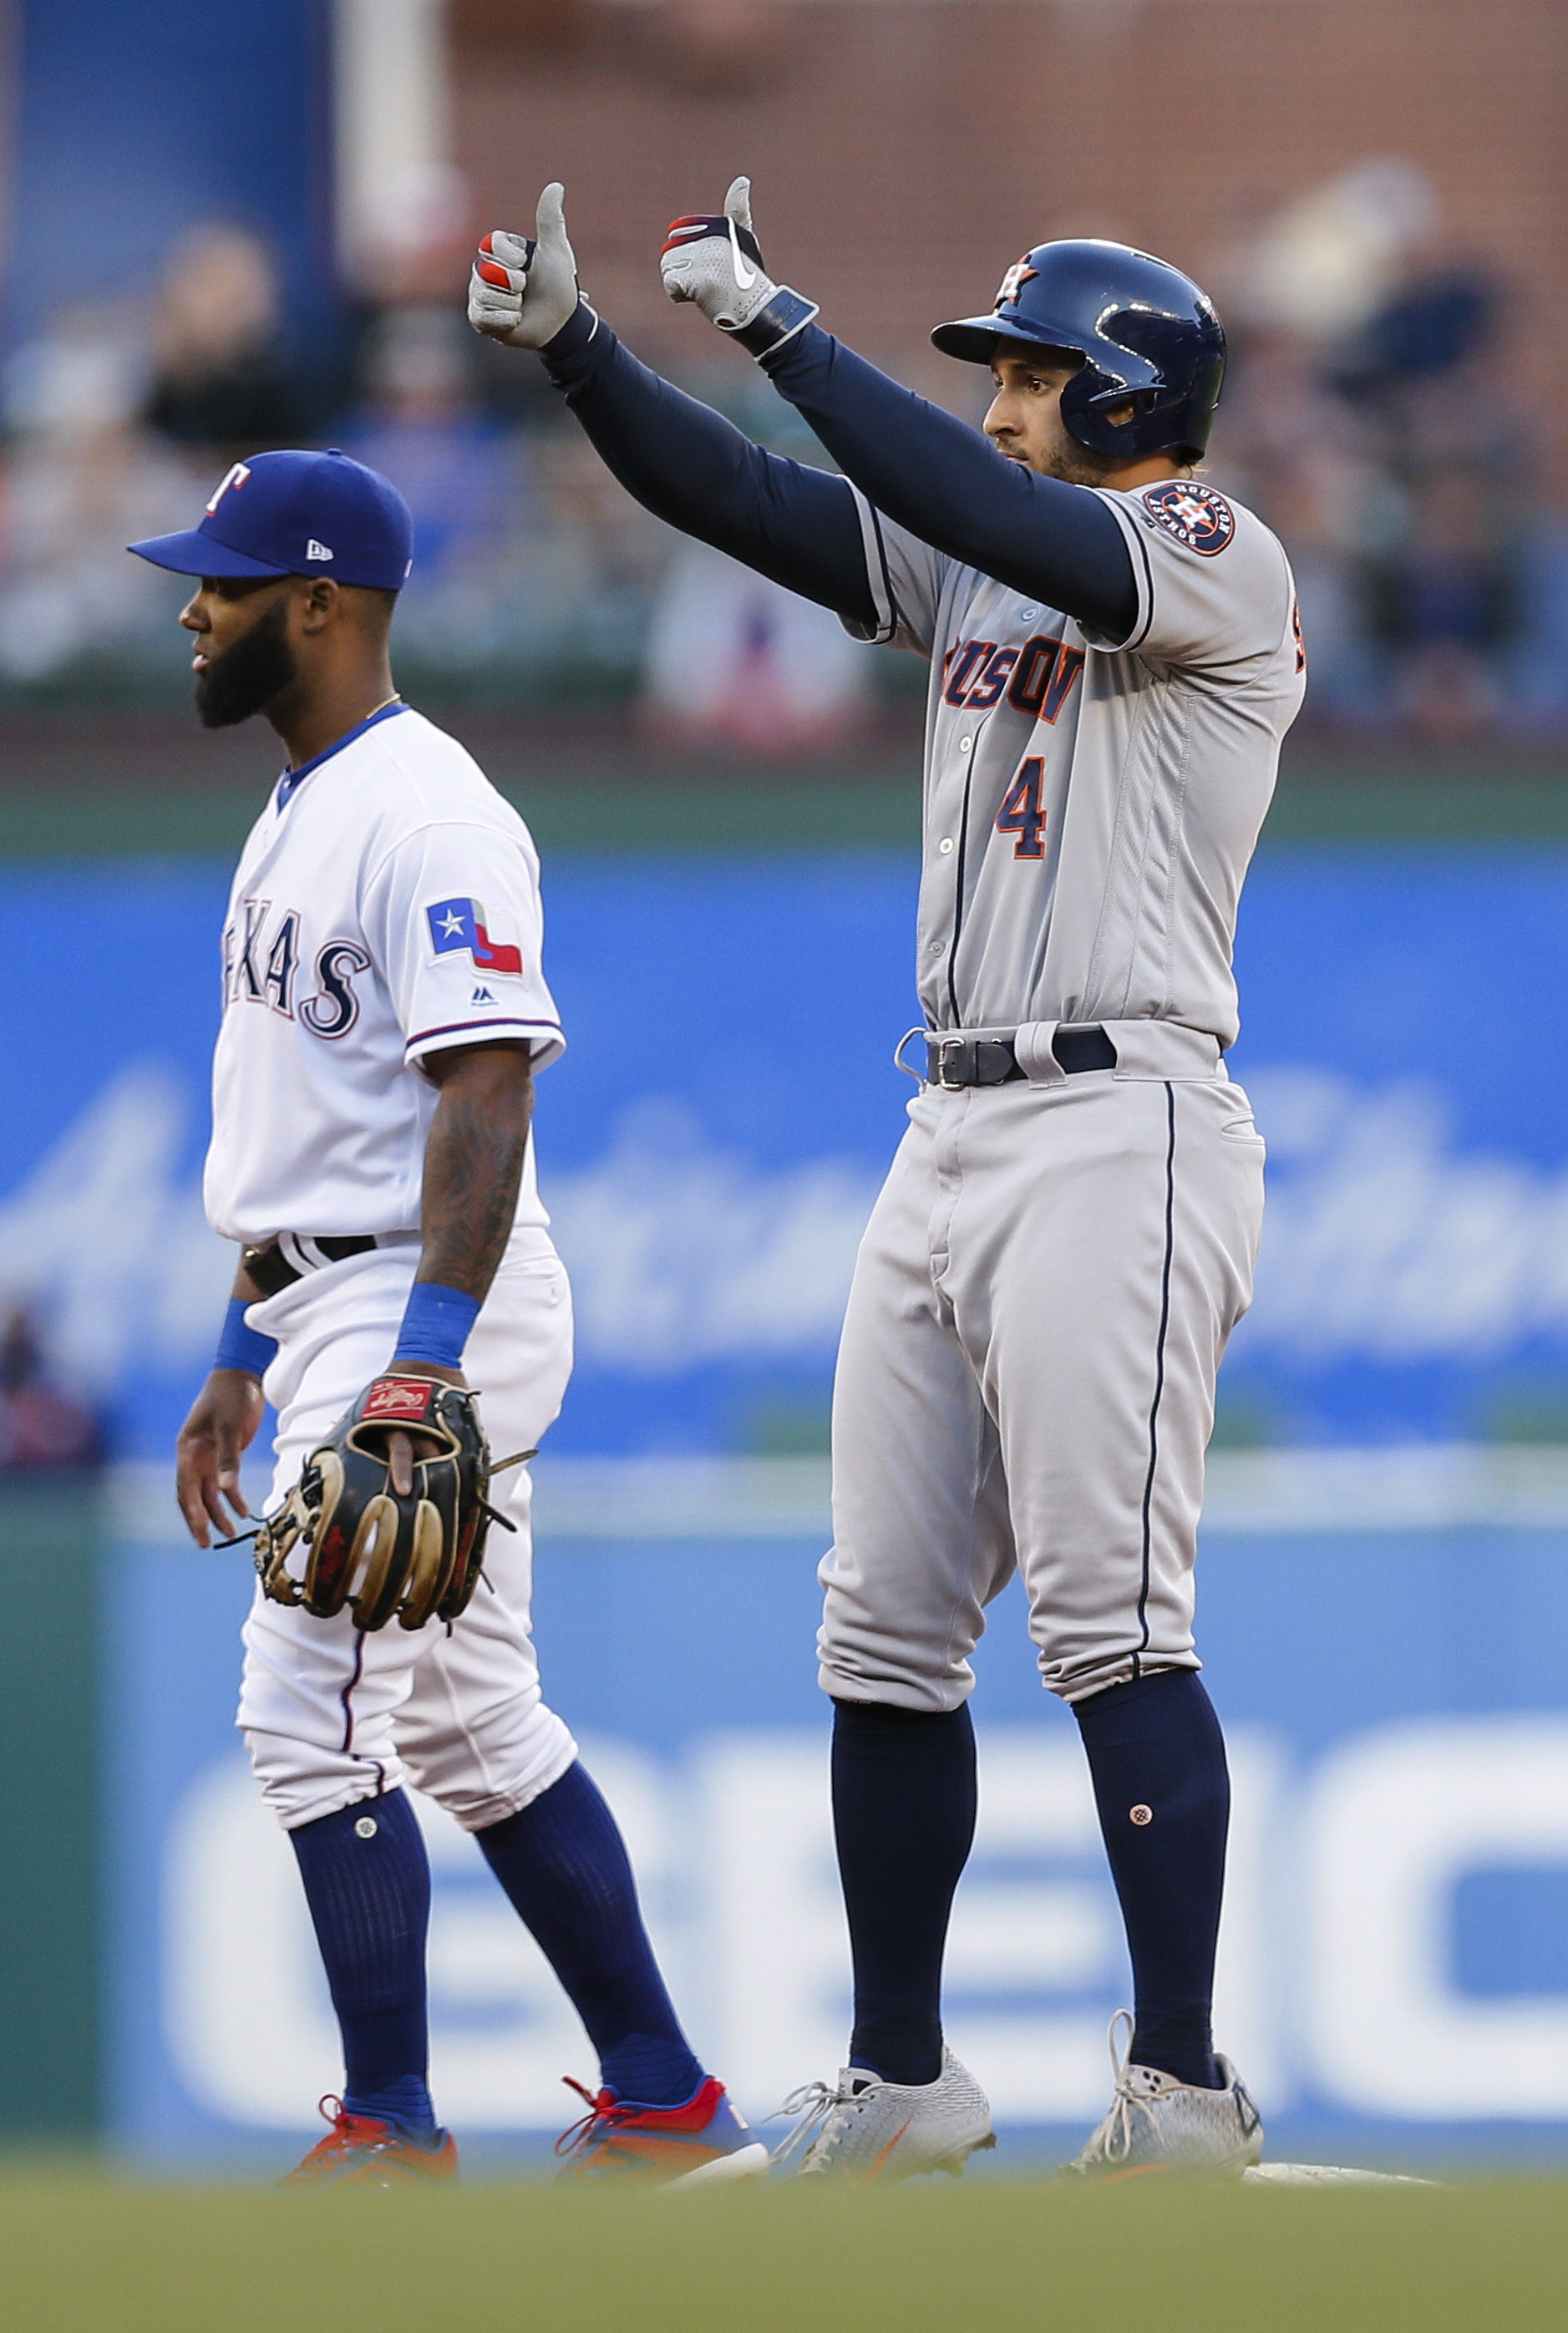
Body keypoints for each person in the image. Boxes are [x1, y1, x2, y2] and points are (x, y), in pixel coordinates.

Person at [469, 181, 1304, 2179]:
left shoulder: (1211, 549)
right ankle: (906, 2072)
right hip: (945, 1118)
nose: (1003, 403)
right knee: (882, 1629)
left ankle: (1181, 2080)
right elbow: (760, 516)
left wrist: (780, 328)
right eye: (1000, 376)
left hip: (1125, 1112)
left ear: (1124, 398)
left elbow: (1016, 521)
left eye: (1031, 372)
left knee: (1111, 1622)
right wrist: (591, 354)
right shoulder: (995, 560)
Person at [130, 449, 763, 2188]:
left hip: (436, 1297)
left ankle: (392, 2122)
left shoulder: (430, 811)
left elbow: (481, 1096)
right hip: (330, 1294)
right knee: (472, 1719)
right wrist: (239, 1354)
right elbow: (307, 1141)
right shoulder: (298, 802)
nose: (193, 606)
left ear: (321, 604)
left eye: (225, 581)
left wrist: (419, 1359)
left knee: (303, 1696)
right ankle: (665, 2098)